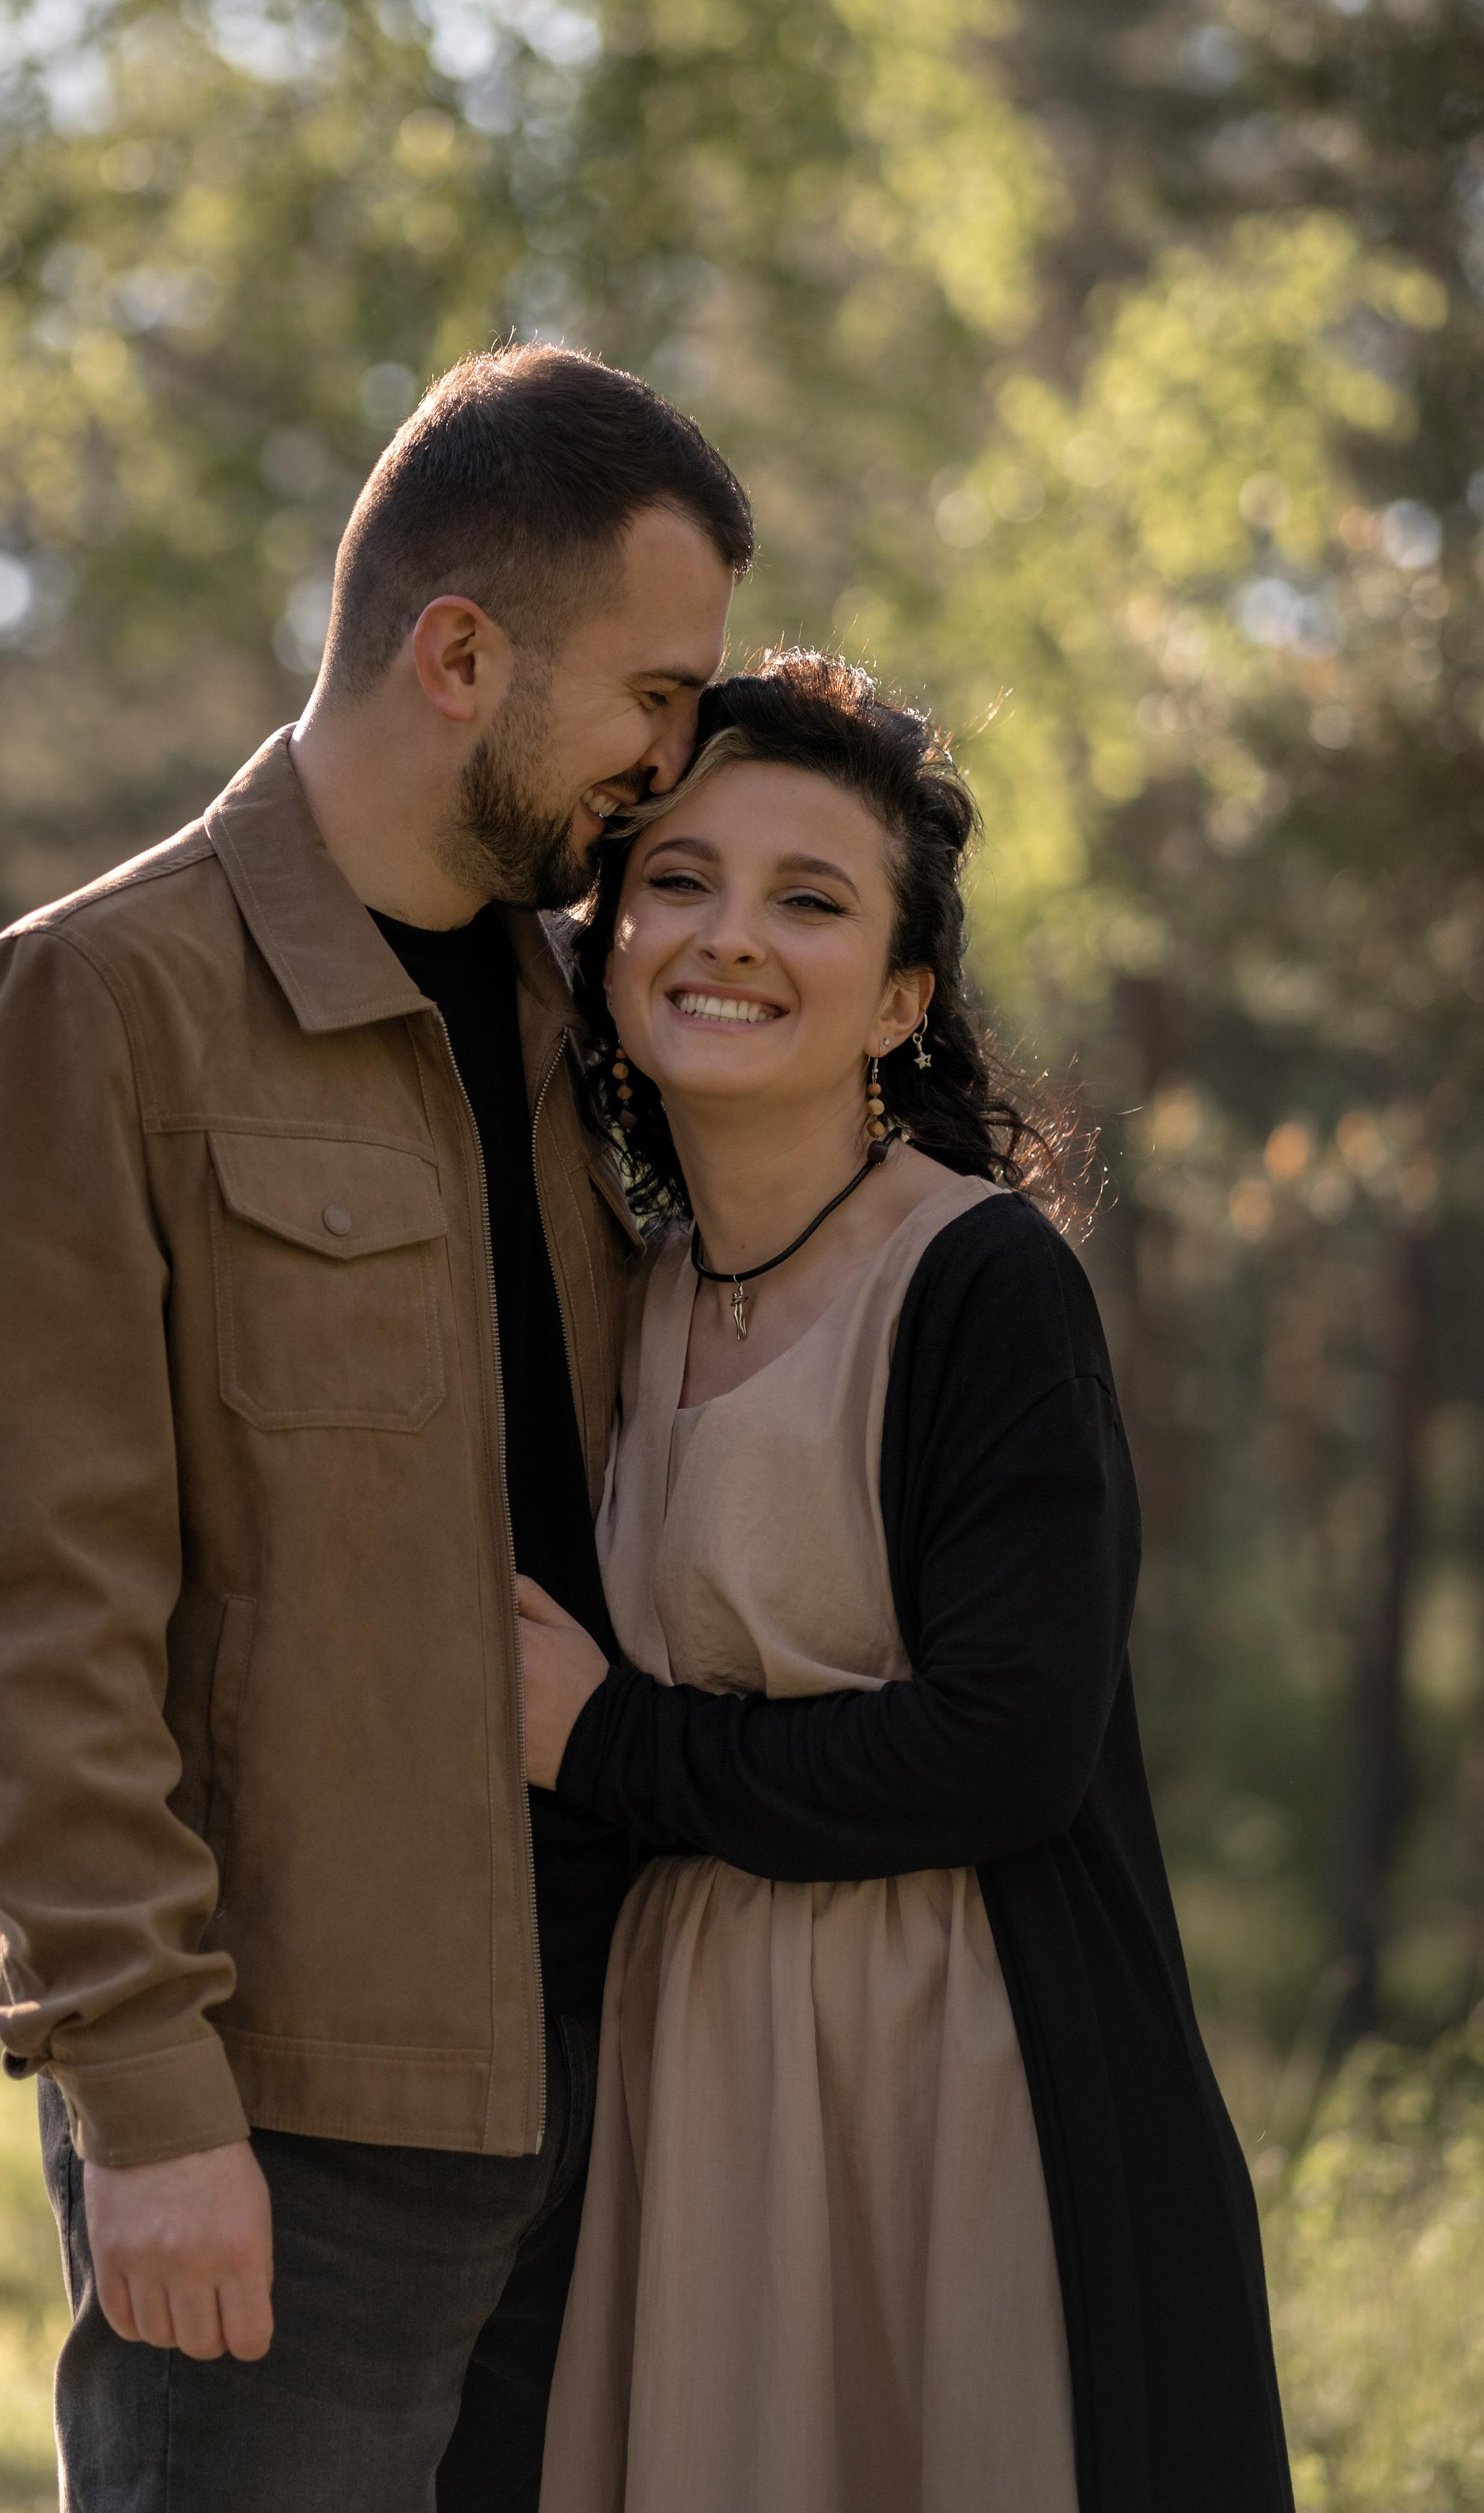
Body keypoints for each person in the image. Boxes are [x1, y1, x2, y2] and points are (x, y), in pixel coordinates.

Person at [0, 344, 751, 2511]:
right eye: (652, 697)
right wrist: (148, 2097)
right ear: (460, 653)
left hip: (621, 2076)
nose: (676, 761)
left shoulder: (591, 1022)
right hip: (297, 2117)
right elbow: (28, 1606)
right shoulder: (101, 1006)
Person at [515, 650, 1295, 2513]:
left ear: (900, 996)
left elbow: (1002, 1750)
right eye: (678, 879)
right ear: (609, 941)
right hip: (687, 2071)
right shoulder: (613, 1297)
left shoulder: (980, 1284)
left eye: (811, 899)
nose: (727, 938)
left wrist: (609, 1744)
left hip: (950, 2076)